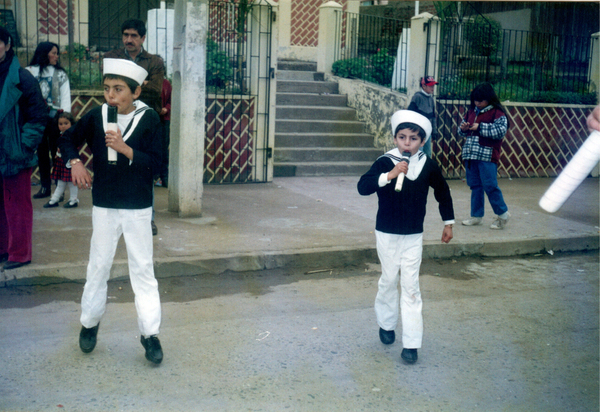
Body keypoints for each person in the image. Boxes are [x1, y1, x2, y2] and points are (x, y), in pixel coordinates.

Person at [58, 58, 163, 364]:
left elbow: (158, 165)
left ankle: (150, 335)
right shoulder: (97, 115)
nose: (111, 96)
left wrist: (126, 149)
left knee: (143, 271)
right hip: (104, 205)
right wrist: (75, 162)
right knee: (98, 267)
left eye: (119, 89)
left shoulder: (150, 118)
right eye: (107, 89)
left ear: (136, 91)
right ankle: (89, 325)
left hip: (137, 207)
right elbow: (66, 139)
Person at [357, 110, 455, 365]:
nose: (407, 143)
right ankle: (386, 324)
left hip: (413, 235)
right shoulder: (385, 161)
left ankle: (411, 344)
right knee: (389, 279)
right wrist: (390, 175)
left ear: (422, 141)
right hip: (386, 233)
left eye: (413, 138)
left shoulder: (428, 164)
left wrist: (448, 223)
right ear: (395, 138)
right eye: (402, 138)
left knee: (411, 288)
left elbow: (442, 191)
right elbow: (363, 187)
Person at [105, 18, 165, 235]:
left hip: (146, 123)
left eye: (134, 36)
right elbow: (109, 86)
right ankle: (117, 217)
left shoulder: (155, 61)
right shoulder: (112, 57)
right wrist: (140, 82)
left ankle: (148, 218)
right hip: (117, 118)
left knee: (144, 170)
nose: (128, 40)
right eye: (125, 35)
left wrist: (129, 85)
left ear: (143, 38)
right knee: (116, 167)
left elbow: (156, 89)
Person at [0, 27, 47, 270]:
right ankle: (3, 249)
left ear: (7, 45)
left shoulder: (23, 78)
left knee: (16, 204)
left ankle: (19, 253)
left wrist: (23, 146)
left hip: (15, 153)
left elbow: (38, 117)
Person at [458, 83, 511, 230]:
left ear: (489, 99)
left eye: (480, 100)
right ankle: (476, 216)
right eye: (475, 100)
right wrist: (463, 129)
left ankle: (503, 215)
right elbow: (461, 130)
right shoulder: (471, 112)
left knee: (490, 186)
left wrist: (480, 127)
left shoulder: (497, 113)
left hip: (487, 156)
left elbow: (500, 131)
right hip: (471, 155)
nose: (477, 103)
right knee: (475, 186)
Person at [26, 42, 72, 199]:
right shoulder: (29, 72)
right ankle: (45, 188)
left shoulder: (60, 74)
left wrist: (65, 119)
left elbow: (66, 97)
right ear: (44, 53)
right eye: (53, 53)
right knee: (41, 153)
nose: (56, 56)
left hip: (55, 120)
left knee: (57, 154)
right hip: (37, 118)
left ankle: (59, 190)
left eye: (57, 53)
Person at [43, 112, 79, 208]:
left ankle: (73, 199)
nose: (63, 126)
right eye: (60, 124)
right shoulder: (61, 135)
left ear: (71, 124)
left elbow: (72, 148)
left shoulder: (72, 136)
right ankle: (55, 199)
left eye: (66, 123)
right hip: (61, 162)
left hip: (69, 162)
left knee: (71, 182)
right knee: (60, 182)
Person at [407, 76, 438, 158]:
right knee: (418, 153)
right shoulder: (417, 97)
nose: (432, 88)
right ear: (424, 86)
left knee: (428, 154)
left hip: (427, 131)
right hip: (418, 131)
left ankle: (425, 170)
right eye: (430, 86)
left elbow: (433, 117)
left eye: (433, 86)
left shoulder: (431, 99)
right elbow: (410, 113)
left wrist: (434, 132)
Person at [157, 76, 171, 188]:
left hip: (164, 119)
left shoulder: (166, 83)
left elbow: (172, 99)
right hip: (150, 119)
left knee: (163, 149)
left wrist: (166, 108)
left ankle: (164, 177)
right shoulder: (145, 83)